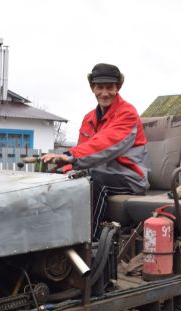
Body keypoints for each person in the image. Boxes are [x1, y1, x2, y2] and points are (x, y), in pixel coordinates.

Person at [42, 63, 149, 239]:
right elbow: (82, 150)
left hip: (129, 177)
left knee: (93, 183)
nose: (104, 93)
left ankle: (91, 243)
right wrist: (63, 171)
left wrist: (71, 156)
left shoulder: (127, 114)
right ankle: (56, 238)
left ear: (118, 87)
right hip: (98, 172)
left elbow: (106, 143)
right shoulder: (89, 118)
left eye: (110, 88)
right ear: (92, 88)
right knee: (61, 181)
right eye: (100, 87)